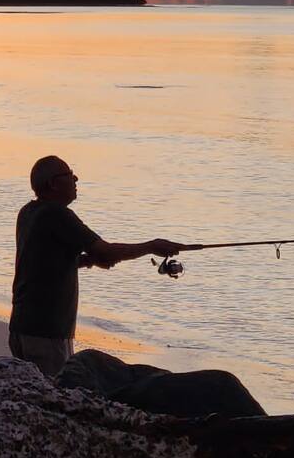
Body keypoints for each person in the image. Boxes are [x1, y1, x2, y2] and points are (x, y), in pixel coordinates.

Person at [9, 155, 185, 377]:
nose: (76, 179)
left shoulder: (28, 212)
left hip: (22, 326)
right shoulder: (58, 214)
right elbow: (106, 251)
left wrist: (87, 260)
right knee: (52, 395)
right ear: (53, 183)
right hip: (45, 331)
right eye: (69, 174)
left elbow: (42, 262)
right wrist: (152, 246)